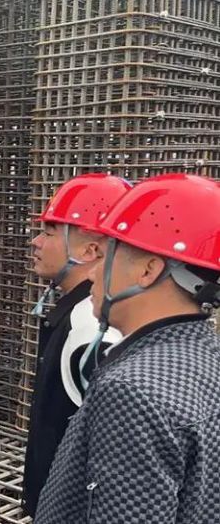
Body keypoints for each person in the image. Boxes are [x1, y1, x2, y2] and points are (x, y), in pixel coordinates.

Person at [35, 173, 220, 523]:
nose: (93, 274)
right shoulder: (205, 355)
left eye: (107, 256)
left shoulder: (132, 391)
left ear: (148, 270)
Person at [21, 173, 129, 517]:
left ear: (90, 250)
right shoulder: (80, 315)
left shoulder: (91, 329)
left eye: (49, 232)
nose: (36, 242)